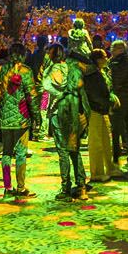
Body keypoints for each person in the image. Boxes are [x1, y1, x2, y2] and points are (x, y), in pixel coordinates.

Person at [0, 58, 34, 199]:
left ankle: (7, 186)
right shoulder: (25, 72)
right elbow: (31, 95)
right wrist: (35, 115)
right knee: (20, 154)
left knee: (6, 153)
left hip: (5, 119)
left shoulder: (1, 71)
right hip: (21, 119)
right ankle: (21, 187)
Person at [43, 46, 88, 199]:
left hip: (58, 113)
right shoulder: (73, 68)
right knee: (74, 148)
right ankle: (81, 186)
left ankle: (65, 188)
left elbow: (46, 85)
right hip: (73, 111)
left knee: (62, 151)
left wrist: (59, 94)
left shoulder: (52, 70)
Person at [82, 48, 115, 184]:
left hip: (103, 109)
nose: (107, 59)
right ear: (98, 59)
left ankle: (110, 167)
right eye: (104, 57)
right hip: (95, 110)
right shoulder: (92, 74)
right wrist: (106, 102)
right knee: (96, 142)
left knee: (107, 140)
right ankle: (97, 173)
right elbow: (95, 94)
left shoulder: (101, 72)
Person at [107, 40, 128, 174]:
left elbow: (117, 82)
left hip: (119, 101)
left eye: (113, 49)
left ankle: (115, 159)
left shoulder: (117, 64)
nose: (111, 52)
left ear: (119, 50)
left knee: (116, 131)